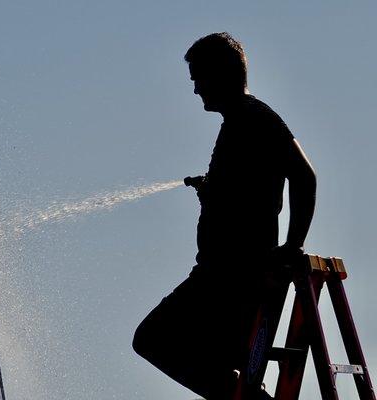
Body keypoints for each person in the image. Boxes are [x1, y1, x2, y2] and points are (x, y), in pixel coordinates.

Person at [132, 33, 316, 399]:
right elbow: (247, 190)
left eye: (200, 77)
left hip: (229, 277)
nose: (196, 88)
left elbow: (304, 176)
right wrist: (212, 191)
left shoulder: (254, 117)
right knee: (224, 363)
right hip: (223, 274)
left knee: (152, 339)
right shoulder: (237, 124)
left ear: (223, 74)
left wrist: (293, 246)